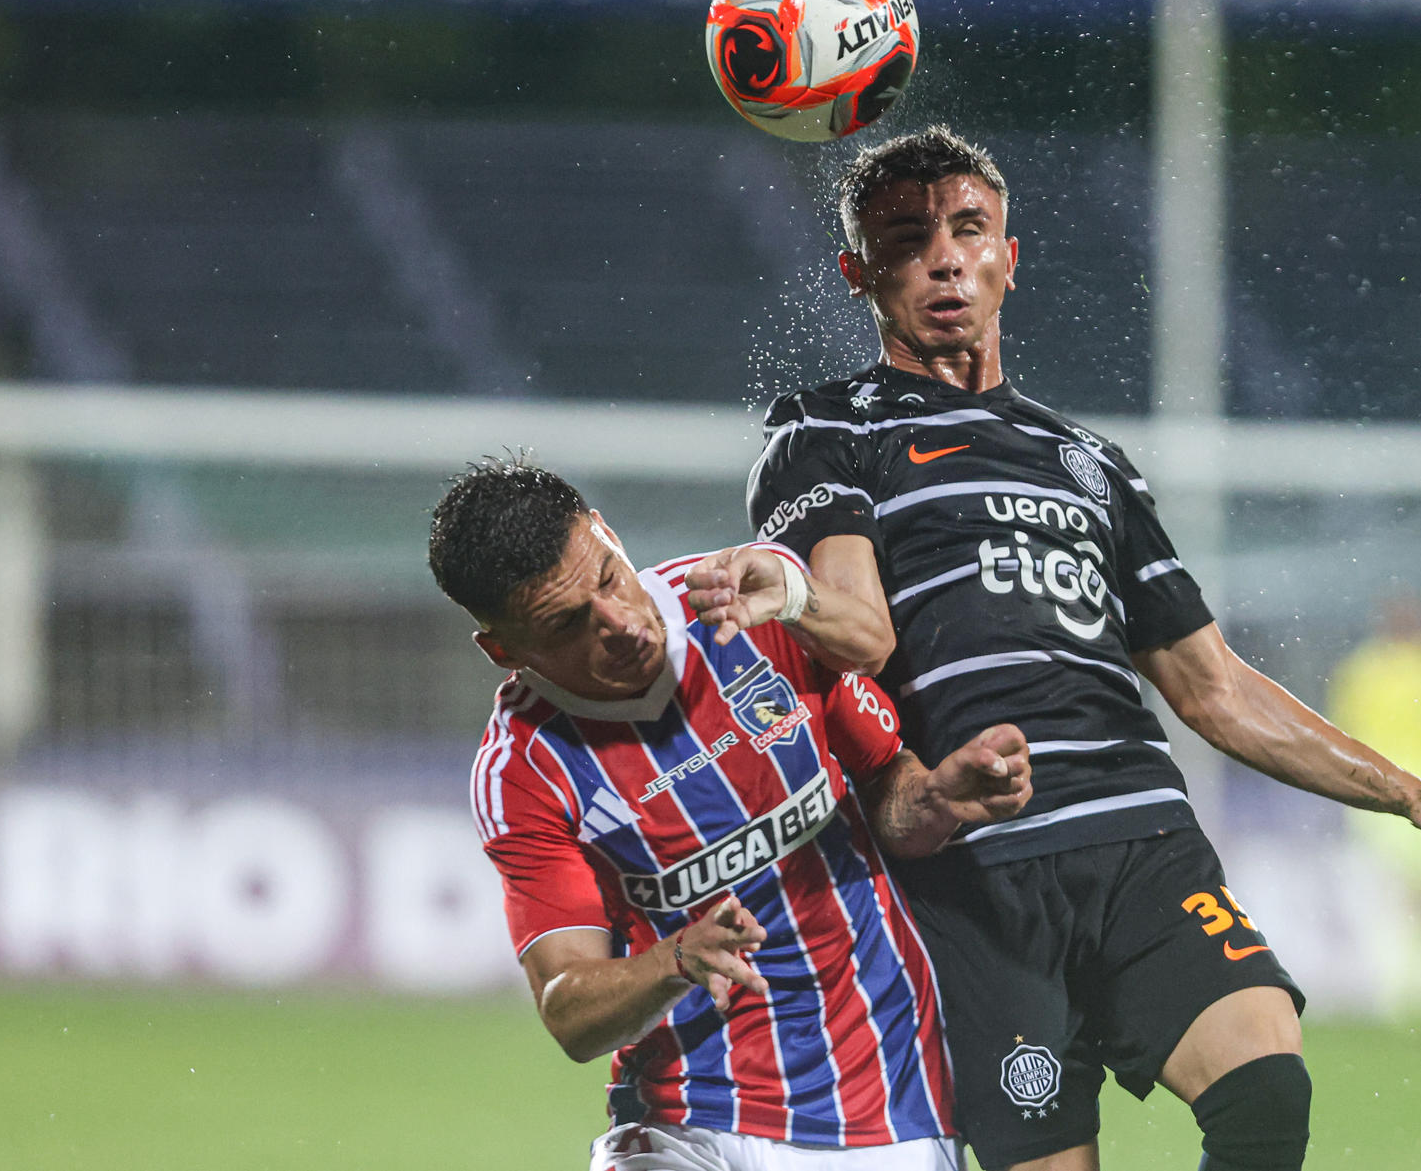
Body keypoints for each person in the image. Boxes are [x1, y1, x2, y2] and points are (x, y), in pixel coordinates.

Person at [686, 126, 1421, 1171]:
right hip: (974, 869)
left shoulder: (1090, 462)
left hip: (1141, 839)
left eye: (968, 230)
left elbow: (1215, 688)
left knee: (1267, 1086)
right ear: (860, 273)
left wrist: (1414, 795)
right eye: (906, 240)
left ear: (1010, 257)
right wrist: (792, 591)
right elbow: (862, 631)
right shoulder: (827, 429)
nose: (945, 259)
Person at [428, 458, 1031, 1171]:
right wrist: (674, 959)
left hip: (883, 1099)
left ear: (607, 532)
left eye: (609, 578)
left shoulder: (747, 599)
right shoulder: (524, 768)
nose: (619, 624)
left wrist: (937, 800)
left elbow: (885, 793)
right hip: (686, 1116)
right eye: (567, 625)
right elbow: (569, 1011)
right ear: (503, 650)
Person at [1327, 593, 1421, 1018]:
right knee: (1416, 896)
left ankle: (1415, 987)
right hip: (1416, 789)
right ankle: (1412, 989)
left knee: (1414, 896)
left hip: (1395, 789)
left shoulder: (1370, 668)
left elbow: (1341, 736)